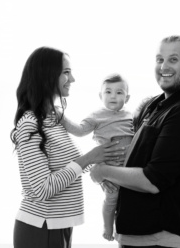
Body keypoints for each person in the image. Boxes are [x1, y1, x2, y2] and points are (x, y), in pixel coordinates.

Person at [90, 35, 180, 248]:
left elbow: (152, 181)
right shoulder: (156, 104)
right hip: (134, 237)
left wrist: (103, 171)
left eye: (173, 59)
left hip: (160, 240)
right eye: (159, 59)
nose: (164, 66)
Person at [10, 47, 123, 248]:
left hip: (59, 225)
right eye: (66, 72)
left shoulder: (54, 118)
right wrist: (88, 159)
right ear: (47, 75)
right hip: (39, 227)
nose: (72, 80)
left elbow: (69, 167)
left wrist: (102, 167)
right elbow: (43, 189)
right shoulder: (30, 123)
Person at [60, 73, 134, 241]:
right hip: (109, 167)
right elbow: (79, 130)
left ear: (127, 97)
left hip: (129, 168)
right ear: (101, 96)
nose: (113, 96)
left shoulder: (131, 116)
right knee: (112, 197)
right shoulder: (97, 116)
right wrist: (62, 118)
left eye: (119, 92)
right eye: (108, 92)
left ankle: (123, 228)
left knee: (129, 202)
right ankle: (107, 228)